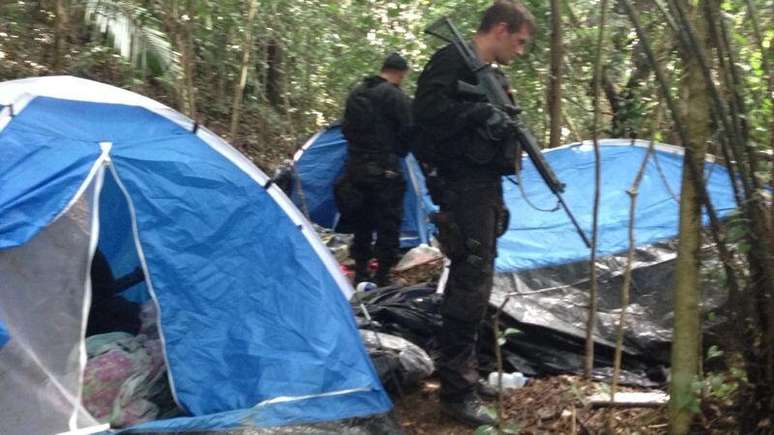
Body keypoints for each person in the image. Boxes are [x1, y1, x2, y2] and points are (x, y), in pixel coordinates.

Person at [412, 1, 535, 427]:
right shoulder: (452, 61)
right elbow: (424, 119)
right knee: (469, 282)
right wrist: (479, 114)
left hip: (484, 187)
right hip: (461, 187)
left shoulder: (492, 75)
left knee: (477, 282)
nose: (521, 50)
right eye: (518, 41)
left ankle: (465, 375)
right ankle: (456, 392)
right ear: (500, 29)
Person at [335, 52, 413, 286]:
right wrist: (398, 151)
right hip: (385, 170)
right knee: (388, 222)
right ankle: (382, 276)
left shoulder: (356, 93)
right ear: (401, 73)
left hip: (356, 168)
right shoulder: (395, 96)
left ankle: (360, 271)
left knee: (363, 221)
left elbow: (346, 130)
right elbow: (410, 130)